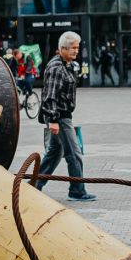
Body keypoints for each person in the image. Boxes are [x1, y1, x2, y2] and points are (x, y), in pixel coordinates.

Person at [34, 31, 94, 203]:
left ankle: (34, 185)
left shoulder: (66, 64)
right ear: (62, 49)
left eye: (77, 47)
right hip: (59, 116)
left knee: (55, 152)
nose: (76, 51)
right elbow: (50, 96)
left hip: (62, 115)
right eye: (73, 48)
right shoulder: (56, 67)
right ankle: (77, 190)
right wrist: (53, 120)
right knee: (74, 154)